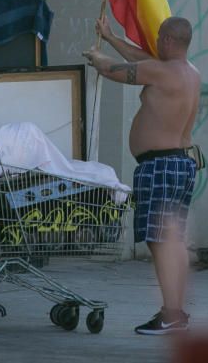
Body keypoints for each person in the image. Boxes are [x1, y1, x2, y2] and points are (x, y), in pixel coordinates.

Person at [83, 17, 201, 335]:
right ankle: (175, 311)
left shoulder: (162, 72)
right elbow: (142, 61)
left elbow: (112, 71)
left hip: (160, 166)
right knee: (171, 239)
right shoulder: (189, 73)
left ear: (167, 40)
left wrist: (98, 58)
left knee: (160, 240)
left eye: (158, 37)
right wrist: (110, 37)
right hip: (180, 164)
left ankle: (172, 313)